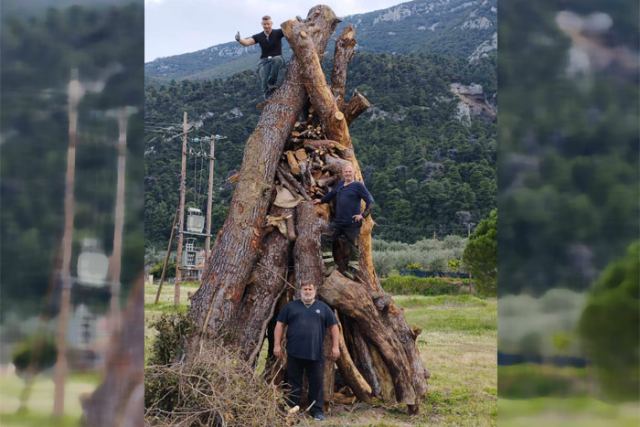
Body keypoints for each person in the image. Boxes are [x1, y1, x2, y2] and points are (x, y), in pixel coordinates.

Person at [274, 283, 339, 421]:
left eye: (310, 289)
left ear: (314, 291)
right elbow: (279, 325)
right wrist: (277, 345)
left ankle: (317, 411)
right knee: (294, 383)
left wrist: (335, 347)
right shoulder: (291, 307)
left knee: (316, 383)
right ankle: (293, 409)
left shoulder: (323, 308)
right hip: (294, 353)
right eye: (305, 289)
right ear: (300, 291)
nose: (308, 291)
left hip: (315, 353)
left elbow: (334, 327)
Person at [313, 163, 374, 280]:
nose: (347, 173)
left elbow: (370, 202)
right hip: (338, 222)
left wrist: (363, 215)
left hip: (352, 223)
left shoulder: (358, 186)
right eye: (346, 172)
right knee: (325, 238)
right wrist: (321, 200)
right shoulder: (340, 184)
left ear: (354, 173)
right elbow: (331, 194)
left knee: (353, 246)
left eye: (350, 171)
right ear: (343, 173)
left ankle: (353, 271)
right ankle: (330, 265)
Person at [235, 15, 287, 99]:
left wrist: (298, 21)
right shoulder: (259, 36)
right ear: (262, 24)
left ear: (271, 24)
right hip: (264, 60)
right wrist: (239, 39)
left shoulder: (278, 32)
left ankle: (271, 83)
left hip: (277, 58)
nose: (266, 26)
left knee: (277, 59)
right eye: (264, 24)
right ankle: (267, 98)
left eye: (268, 24)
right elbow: (247, 42)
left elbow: (291, 29)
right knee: (263, 80)